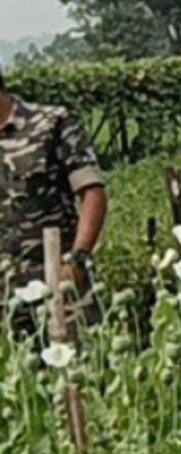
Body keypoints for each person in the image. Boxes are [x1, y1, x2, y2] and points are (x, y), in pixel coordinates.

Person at [0, 63, 108, 328]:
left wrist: (78, 261)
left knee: (76, 362)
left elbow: (92, 192)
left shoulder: (51, 124)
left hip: (57, 286)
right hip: (4, 299)